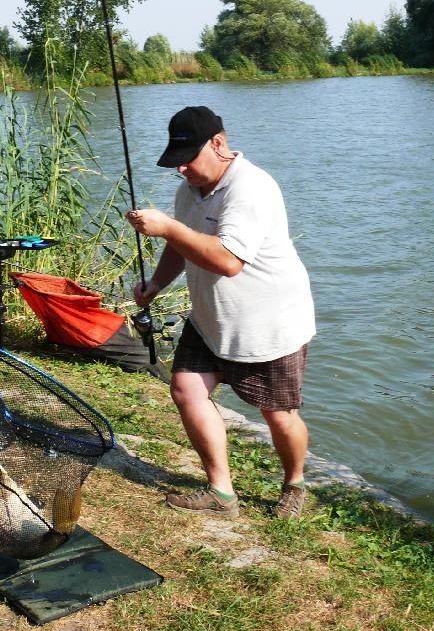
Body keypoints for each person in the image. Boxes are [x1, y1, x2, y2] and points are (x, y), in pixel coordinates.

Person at [126, 106, 316, 521]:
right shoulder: (188, 190)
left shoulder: (251, 188)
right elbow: (182, 245)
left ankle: (296, 483)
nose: (181, 169)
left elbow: (228, 261)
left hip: (269, 322)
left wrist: (169, 227)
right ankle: (221, 492)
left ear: (218, 143)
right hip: (212, 320)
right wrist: (157, 283)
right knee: (187, 390)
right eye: (175, 161)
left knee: (278, 415)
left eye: (188, 158)